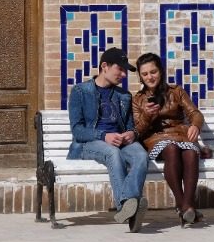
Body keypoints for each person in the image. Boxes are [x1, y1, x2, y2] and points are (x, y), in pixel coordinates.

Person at [67, 47, 149, 232]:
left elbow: (130, 126)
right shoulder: (80, 91)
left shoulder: (124, 96)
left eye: (124, 71)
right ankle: (126, 206)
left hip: (120, 142)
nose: (123, 74)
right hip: (90, 144)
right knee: (113, 153)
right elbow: (77, 130)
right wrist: (103, 136)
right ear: (104, 66)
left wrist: (131, 134)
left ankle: (129, 208)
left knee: (141, 156)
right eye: (119, 69)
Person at [132, 52, 205, 227]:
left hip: (180, 135)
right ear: (141, 77)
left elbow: (194, 113)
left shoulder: (176, 92)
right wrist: (148, 116)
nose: (150, 77)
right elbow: (138, 131)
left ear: (161, 71)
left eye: (153, 72)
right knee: (171, 148)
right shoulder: (137, 100)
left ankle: (186, 208)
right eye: (145, 74)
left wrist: (195, 125)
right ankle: (185, 206)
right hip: (155, 139)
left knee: (190, 152)